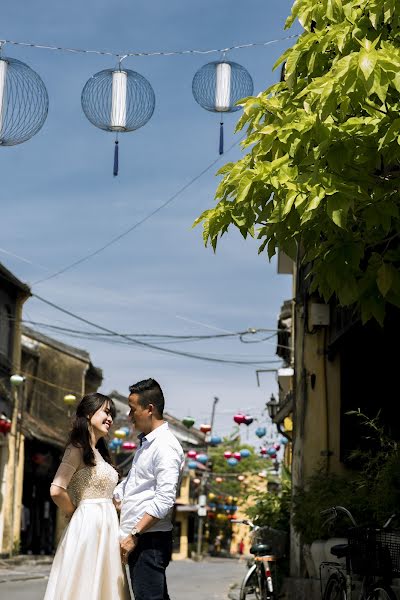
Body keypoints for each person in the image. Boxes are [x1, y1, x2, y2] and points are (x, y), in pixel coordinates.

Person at [44, 393, 129, 600]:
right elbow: (56, 489)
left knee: (103, 586)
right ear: (89, 412)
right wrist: (75, 512)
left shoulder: (98, 452)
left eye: (112, 414)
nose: (110, 419)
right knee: (86, 583)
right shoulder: (77, 449)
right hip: (89, 526)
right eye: (106, 412)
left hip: (107, 526)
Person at [114, 378, 184, 600]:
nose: (129, 416)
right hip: (142, 538)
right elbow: (136, 486)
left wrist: (134, 534)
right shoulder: (148, 443)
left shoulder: (165, 446)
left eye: (133, 409)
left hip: (148, 540)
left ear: (149, 409)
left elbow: (164, 499)